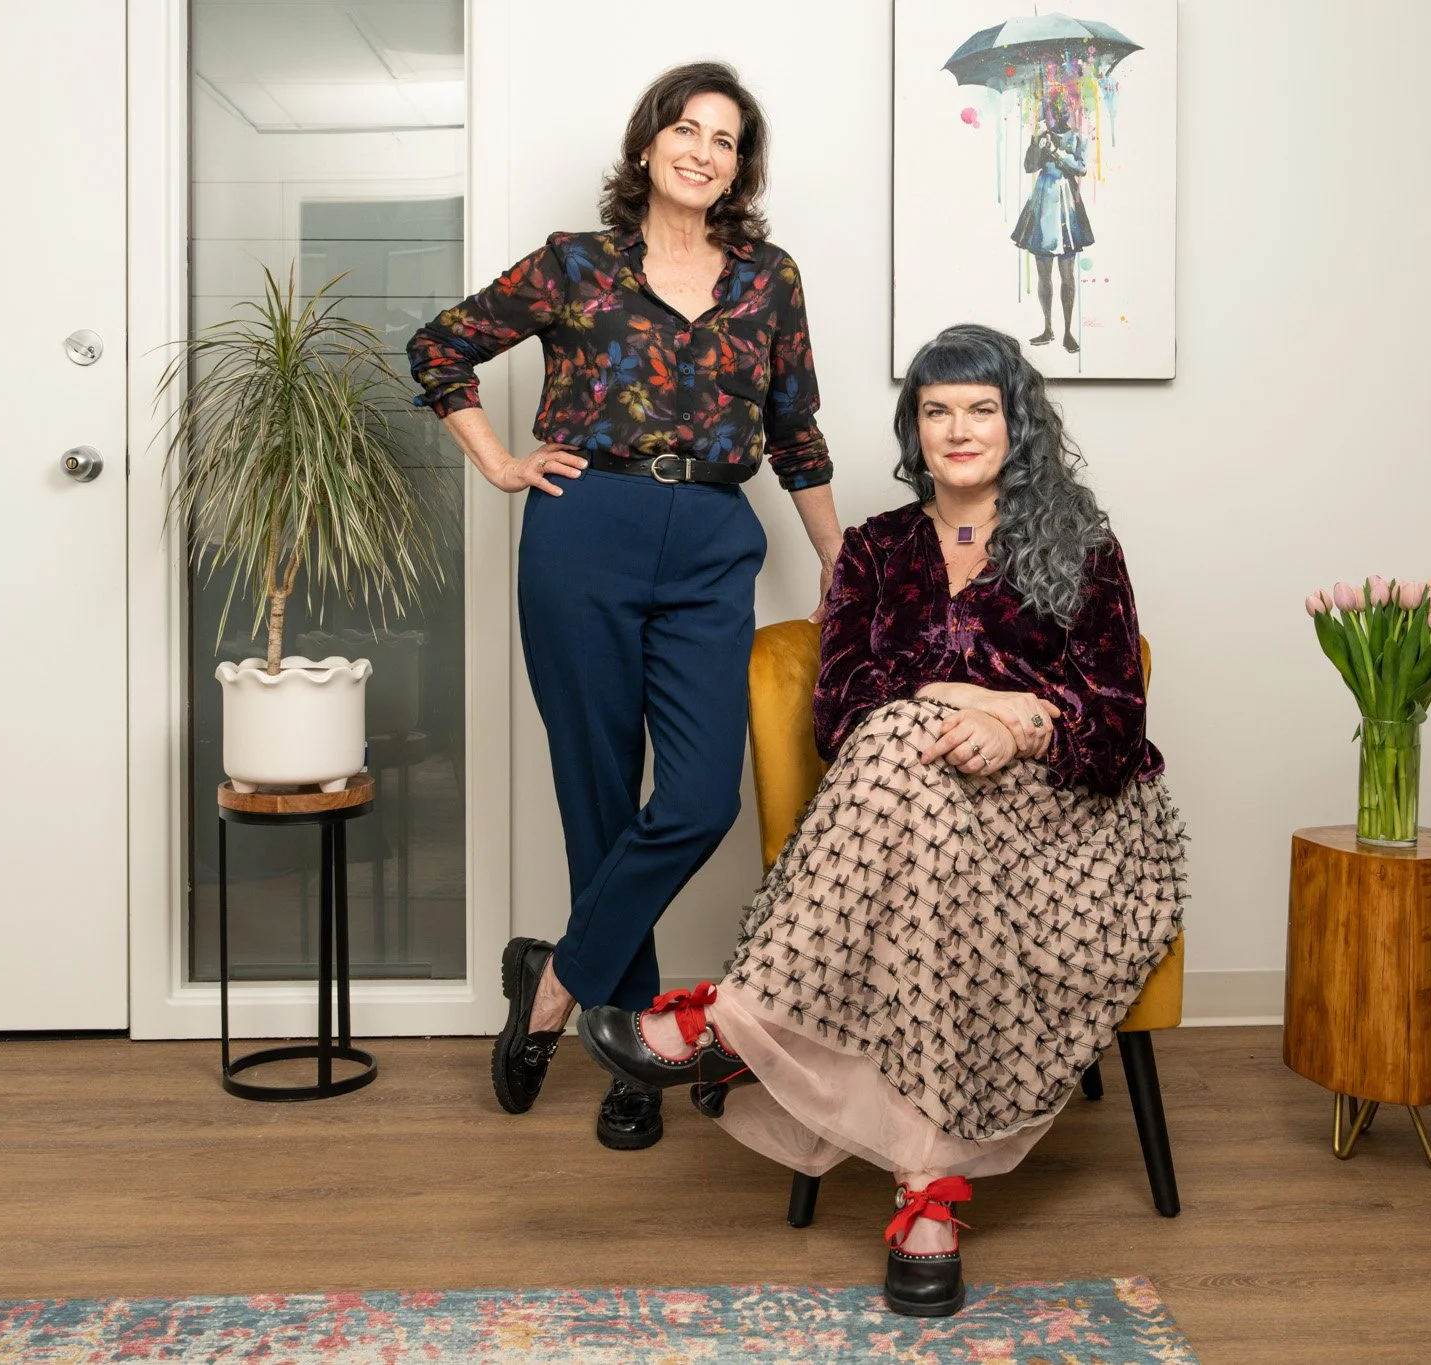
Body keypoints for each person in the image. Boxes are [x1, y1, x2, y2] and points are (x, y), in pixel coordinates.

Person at [576, 323, 1186, 1316]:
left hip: (1066, 830)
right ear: (914, 427)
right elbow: (839, 709)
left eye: (979, 409)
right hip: (914, 813)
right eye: (936, 410)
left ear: (1013, 423)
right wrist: (960, 703)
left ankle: (729, 1023)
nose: (957, 429)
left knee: (908, 747)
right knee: (909, 763)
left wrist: (1023, 726)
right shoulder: (869, 548)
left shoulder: (1082, 548)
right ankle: (927, 1196)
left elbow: (1115, 722)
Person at [405, 62, 844, 1152]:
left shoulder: (767, 280)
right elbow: (438, 348)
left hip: (709, 542)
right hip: (583, 533)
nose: (703, 150)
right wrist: (500, 461)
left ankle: (555, 985)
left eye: (726, 139)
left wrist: (843, 567)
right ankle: (635, 1058)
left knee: (696, 799)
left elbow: (795, 436)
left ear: (741, 166)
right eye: (684, 129)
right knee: (598, 793)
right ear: (646, 144)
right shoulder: (575, 266)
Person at [1011, 93, 1095, 354]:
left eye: (1062, 110)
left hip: (1066, 203)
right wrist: (1037, 143)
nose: (1058, 115)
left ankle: (1068, 331)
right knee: (1043, 272)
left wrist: (1057, 152)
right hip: (1043, 203)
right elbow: (1028, 166)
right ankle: (1048, 327)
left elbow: (1080, 168)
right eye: (1052, 110)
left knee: (1067, 274)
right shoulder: (1042, 134)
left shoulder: (1077, 138)